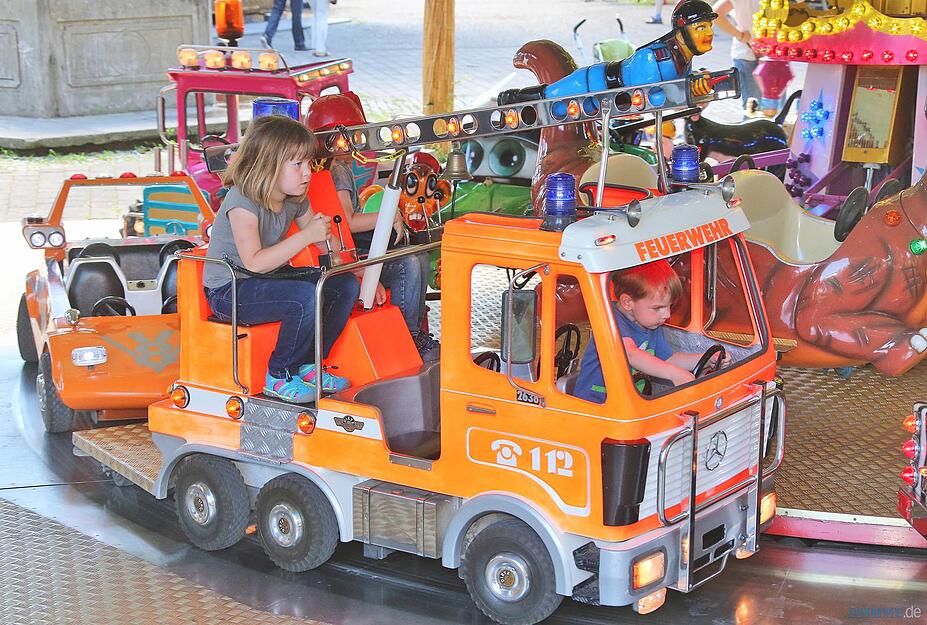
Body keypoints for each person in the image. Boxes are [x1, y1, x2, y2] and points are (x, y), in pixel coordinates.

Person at [203, 115, 359, 403]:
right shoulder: (242, 201)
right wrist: (307, 236)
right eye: (297, 164)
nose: (307, 173)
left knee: (343, 285)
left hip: (266, 278)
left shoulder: (294, 198)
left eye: (309, 163)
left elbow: (325, 241)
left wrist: (342, 256)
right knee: (303, 297)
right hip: (230, 288)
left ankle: (310, 365)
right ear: (269, 164)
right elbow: (254, 262)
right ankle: (279, 374)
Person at [306, 92, 440, 362]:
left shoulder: (324, 168)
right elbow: (347, 221)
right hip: (336, 254)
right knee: (409, 263)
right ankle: (408, 337)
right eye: (350, 137)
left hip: (336, 249)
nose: (354, 143)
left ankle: (415, 333)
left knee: (418, 256)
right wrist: (388, 216)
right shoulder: (337, 170)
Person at [498, 0, 718, 106]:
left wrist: (696, 83)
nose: (709, 33)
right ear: (680, 31)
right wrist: (687, 89)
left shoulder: (683, 59)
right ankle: (515, 98)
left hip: (606, 99)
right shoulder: (652, 57)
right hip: (593, 83)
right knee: (551, 97)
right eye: (701, 27)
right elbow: (649, 98)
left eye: (709, 27)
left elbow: (675, 89)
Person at [573, 260, 726, 404]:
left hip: (631, 404)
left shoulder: (651, 324)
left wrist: (706, 359)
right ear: (627, 302)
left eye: (670, 306)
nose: (667, 315)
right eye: (657, 308)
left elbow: (668, 359)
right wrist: (673, 374)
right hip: (596, 405)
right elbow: (630, 354)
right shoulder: (611, 320)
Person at [711, 0, 760, 114]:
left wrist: (740, 35)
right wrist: (740, 35)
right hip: (750, 56)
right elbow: (716, 13)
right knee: (755, 112)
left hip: (766, 57)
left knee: (760, 111)